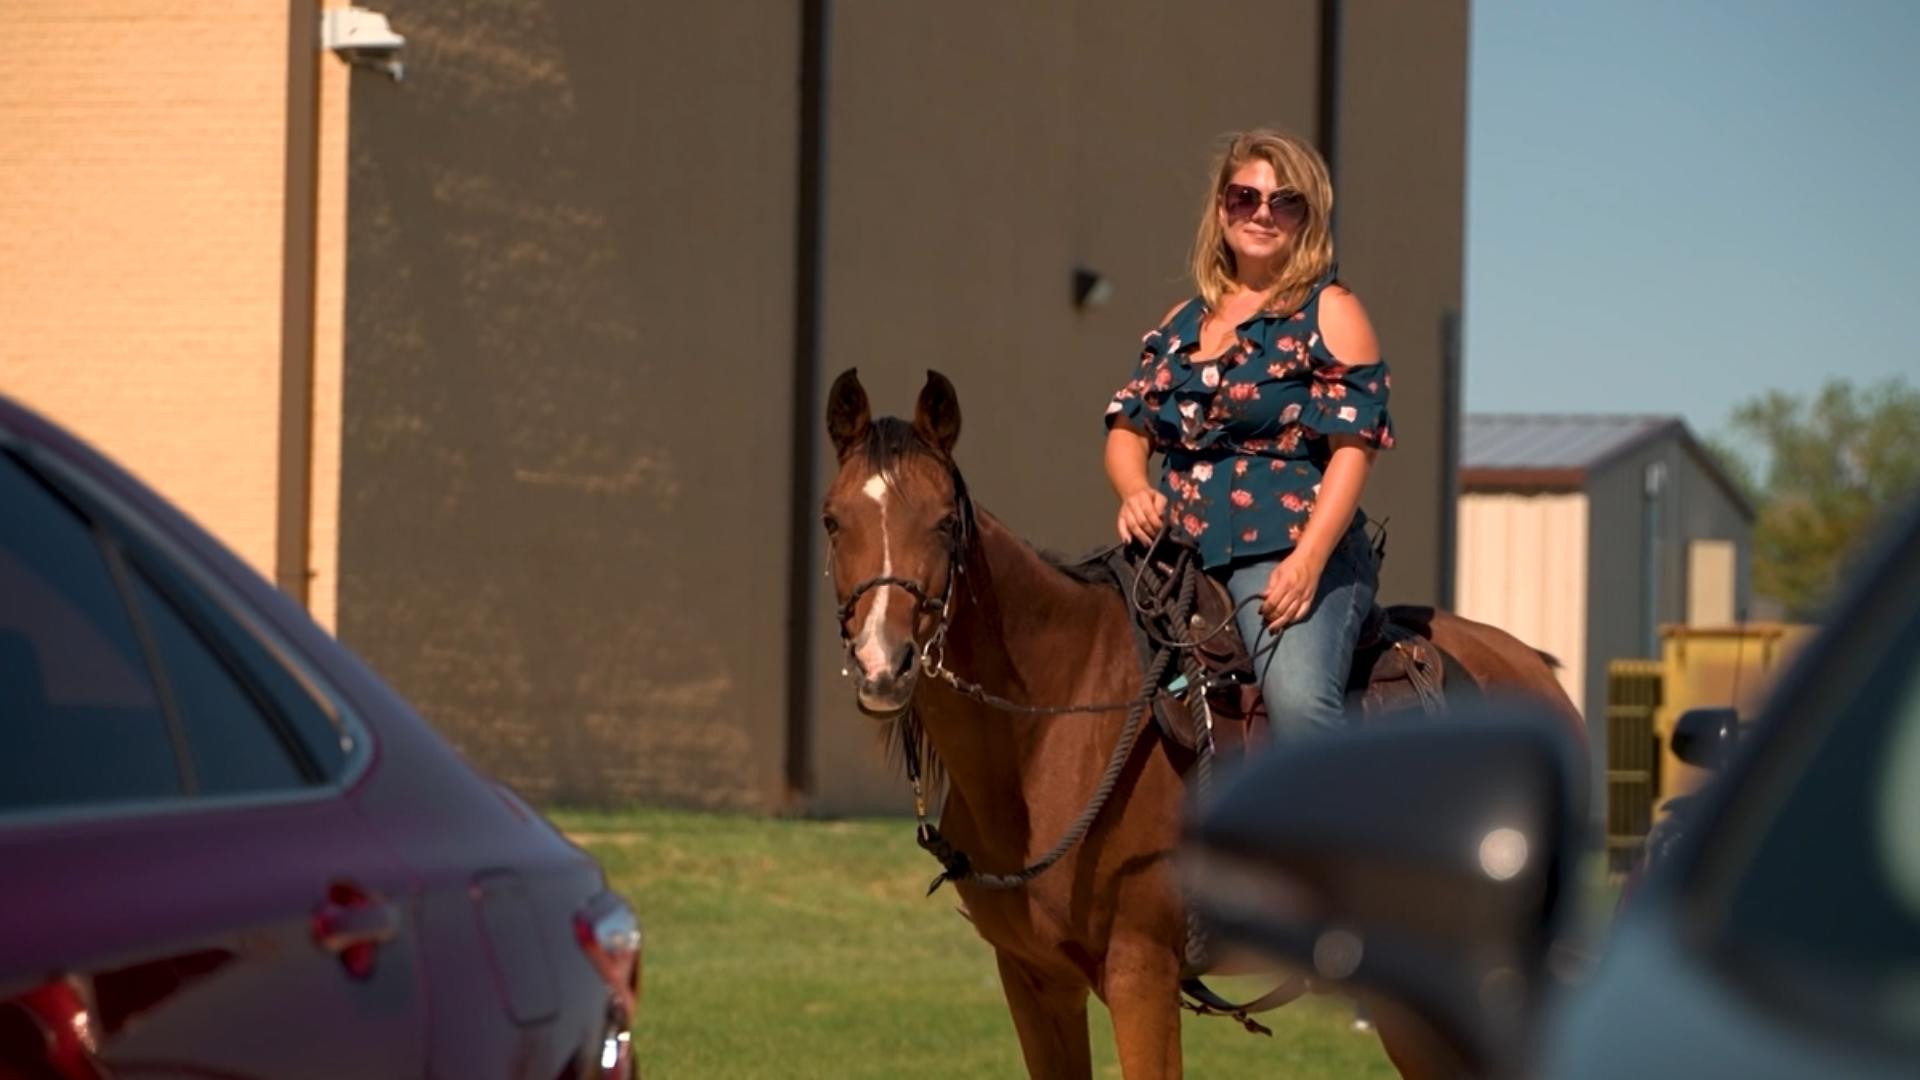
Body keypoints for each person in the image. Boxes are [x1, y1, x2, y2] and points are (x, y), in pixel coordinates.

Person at [1102, 128, 1395, 740]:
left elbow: (1352, 448)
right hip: (1174, 555)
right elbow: (1128, 427)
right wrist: (1133, 490)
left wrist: (1309, 561)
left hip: (1285, 553)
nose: (1262, 213)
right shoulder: (1179, 324)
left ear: (1306, 221)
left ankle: (1338, 832)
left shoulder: (1330, 311)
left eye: (1283, 202)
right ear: (1220, 209)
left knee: (1299, 708)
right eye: (1245, 197)